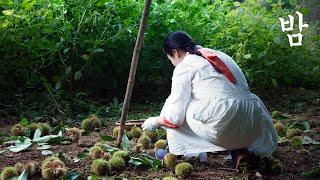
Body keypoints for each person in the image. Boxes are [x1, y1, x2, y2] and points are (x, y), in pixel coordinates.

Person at [142, 31, 278, 169]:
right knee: (215, 100)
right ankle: (240, 151)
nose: (173, 63)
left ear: (175, 52)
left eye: (170, 59)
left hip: (223, 123)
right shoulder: (220, 55)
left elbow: (174, 118)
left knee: (175, 104)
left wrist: (153, 122)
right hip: (252, 124)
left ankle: (186, 153)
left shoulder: (184, 66)